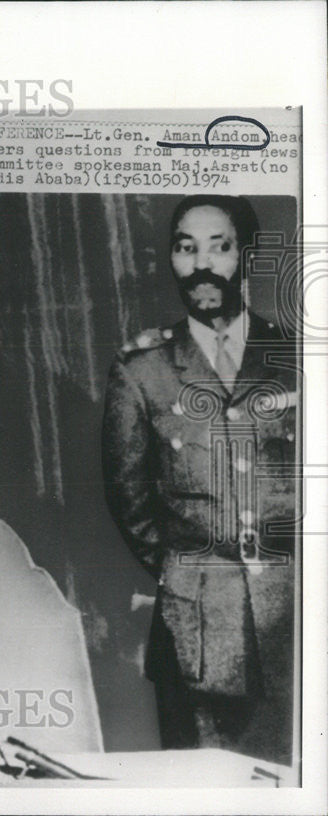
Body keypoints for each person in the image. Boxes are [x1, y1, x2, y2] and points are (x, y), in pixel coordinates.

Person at [102, 195, 297, 765]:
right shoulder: (143, 370)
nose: (202, 263)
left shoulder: (297, 356)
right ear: (172, 261)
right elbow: (130, 499)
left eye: (220, 246)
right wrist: (189, 577)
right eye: (187, 248)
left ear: (248, 257)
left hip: (299, 621)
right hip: (199, 638)